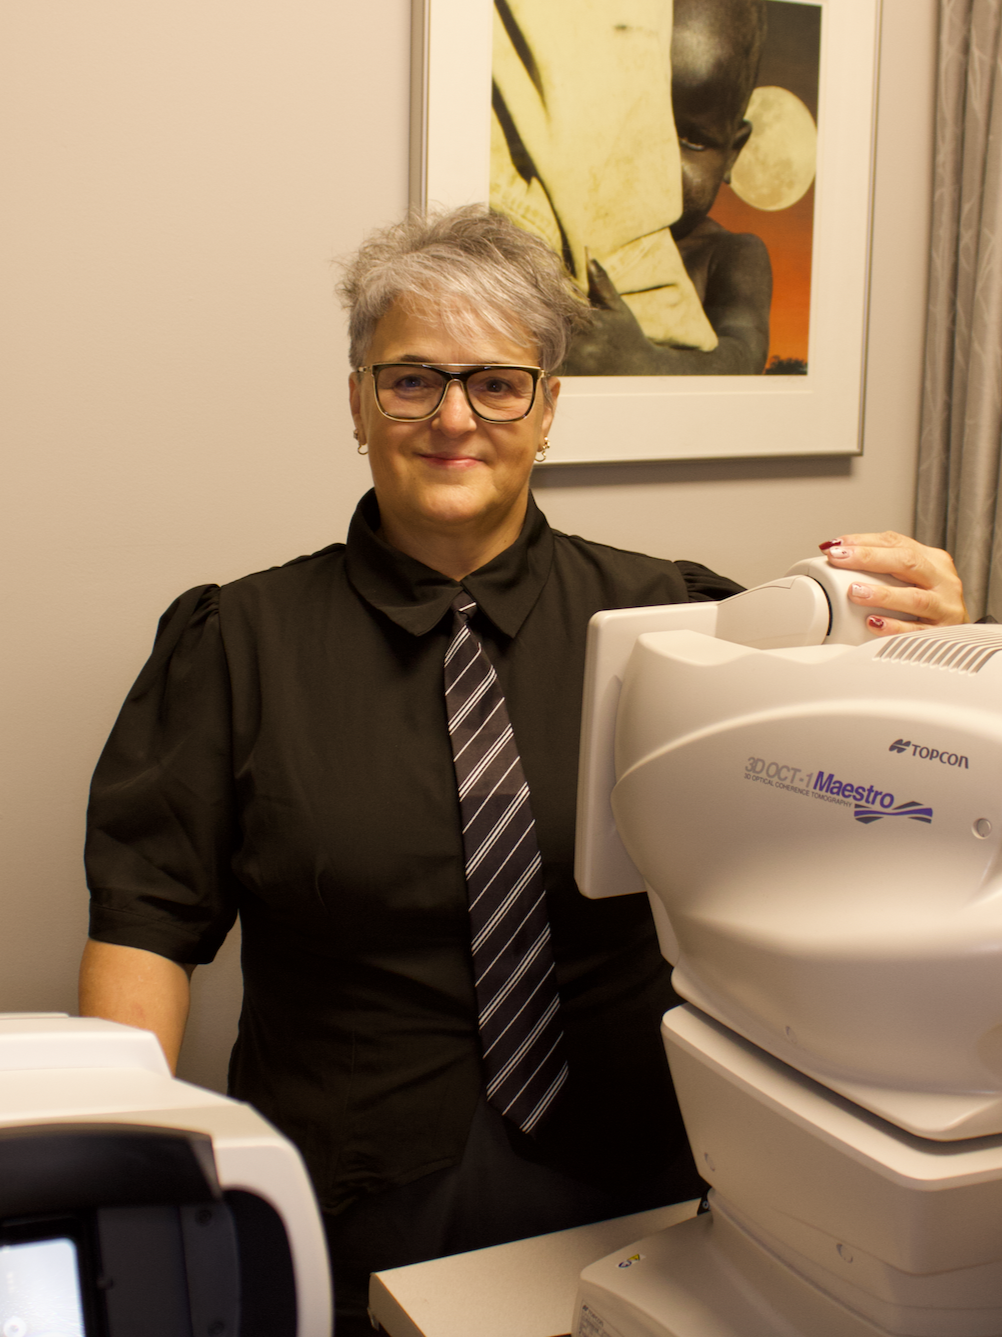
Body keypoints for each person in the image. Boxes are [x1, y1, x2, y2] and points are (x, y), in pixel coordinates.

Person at [79, 206, 968, 1336]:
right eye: (412, 380)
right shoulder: (235, 645)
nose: (453, 417)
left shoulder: (685, 626)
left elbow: (854, 834)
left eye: (497, 384)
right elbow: (146, 930)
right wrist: (130, 1191)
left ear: (547, 410)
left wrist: (928, 664)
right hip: (345, 1210)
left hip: (646, 1202)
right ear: (357, 402)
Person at [561, 0, 773, 376]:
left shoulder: (729, 254)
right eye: (632, 123)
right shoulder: (565, 227)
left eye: (691, 139)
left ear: (733, 152)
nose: (656, 163)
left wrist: (644, 361)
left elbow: (746, 353)